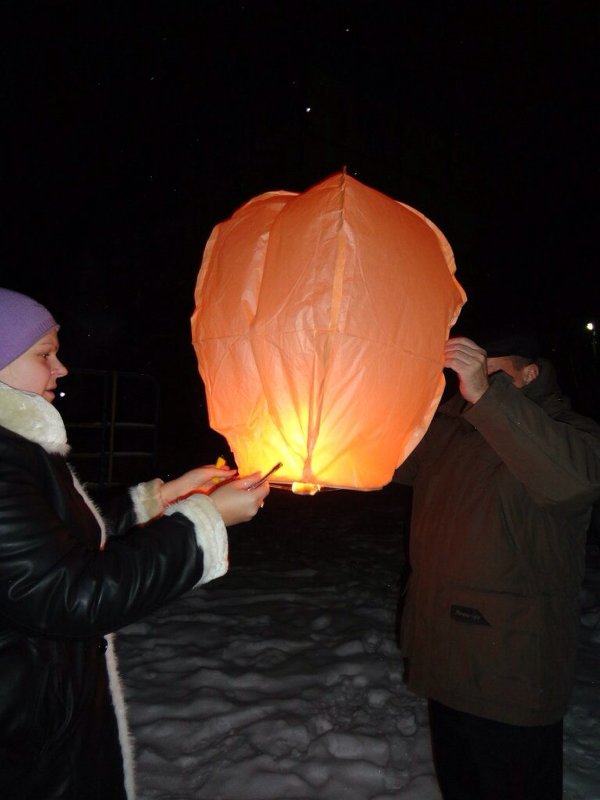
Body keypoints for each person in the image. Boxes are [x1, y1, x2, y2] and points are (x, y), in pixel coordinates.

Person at [0, 287, 270, 800]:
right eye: (44, 355)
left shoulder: (19, 447)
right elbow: (71, 597)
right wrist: (204, 520)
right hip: (22, 744)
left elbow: (52, 537)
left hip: (39, 712)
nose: (61, 369)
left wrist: (166, 497)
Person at [393, 331, 600, 800]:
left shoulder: (569, 430)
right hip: (443, 658)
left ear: (530, 374)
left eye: (490, 368)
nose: (472, 380)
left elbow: (579, 481)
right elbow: (380, 461)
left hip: (511, 671)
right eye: (468, 367)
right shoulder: (447, 426)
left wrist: (487, 396)